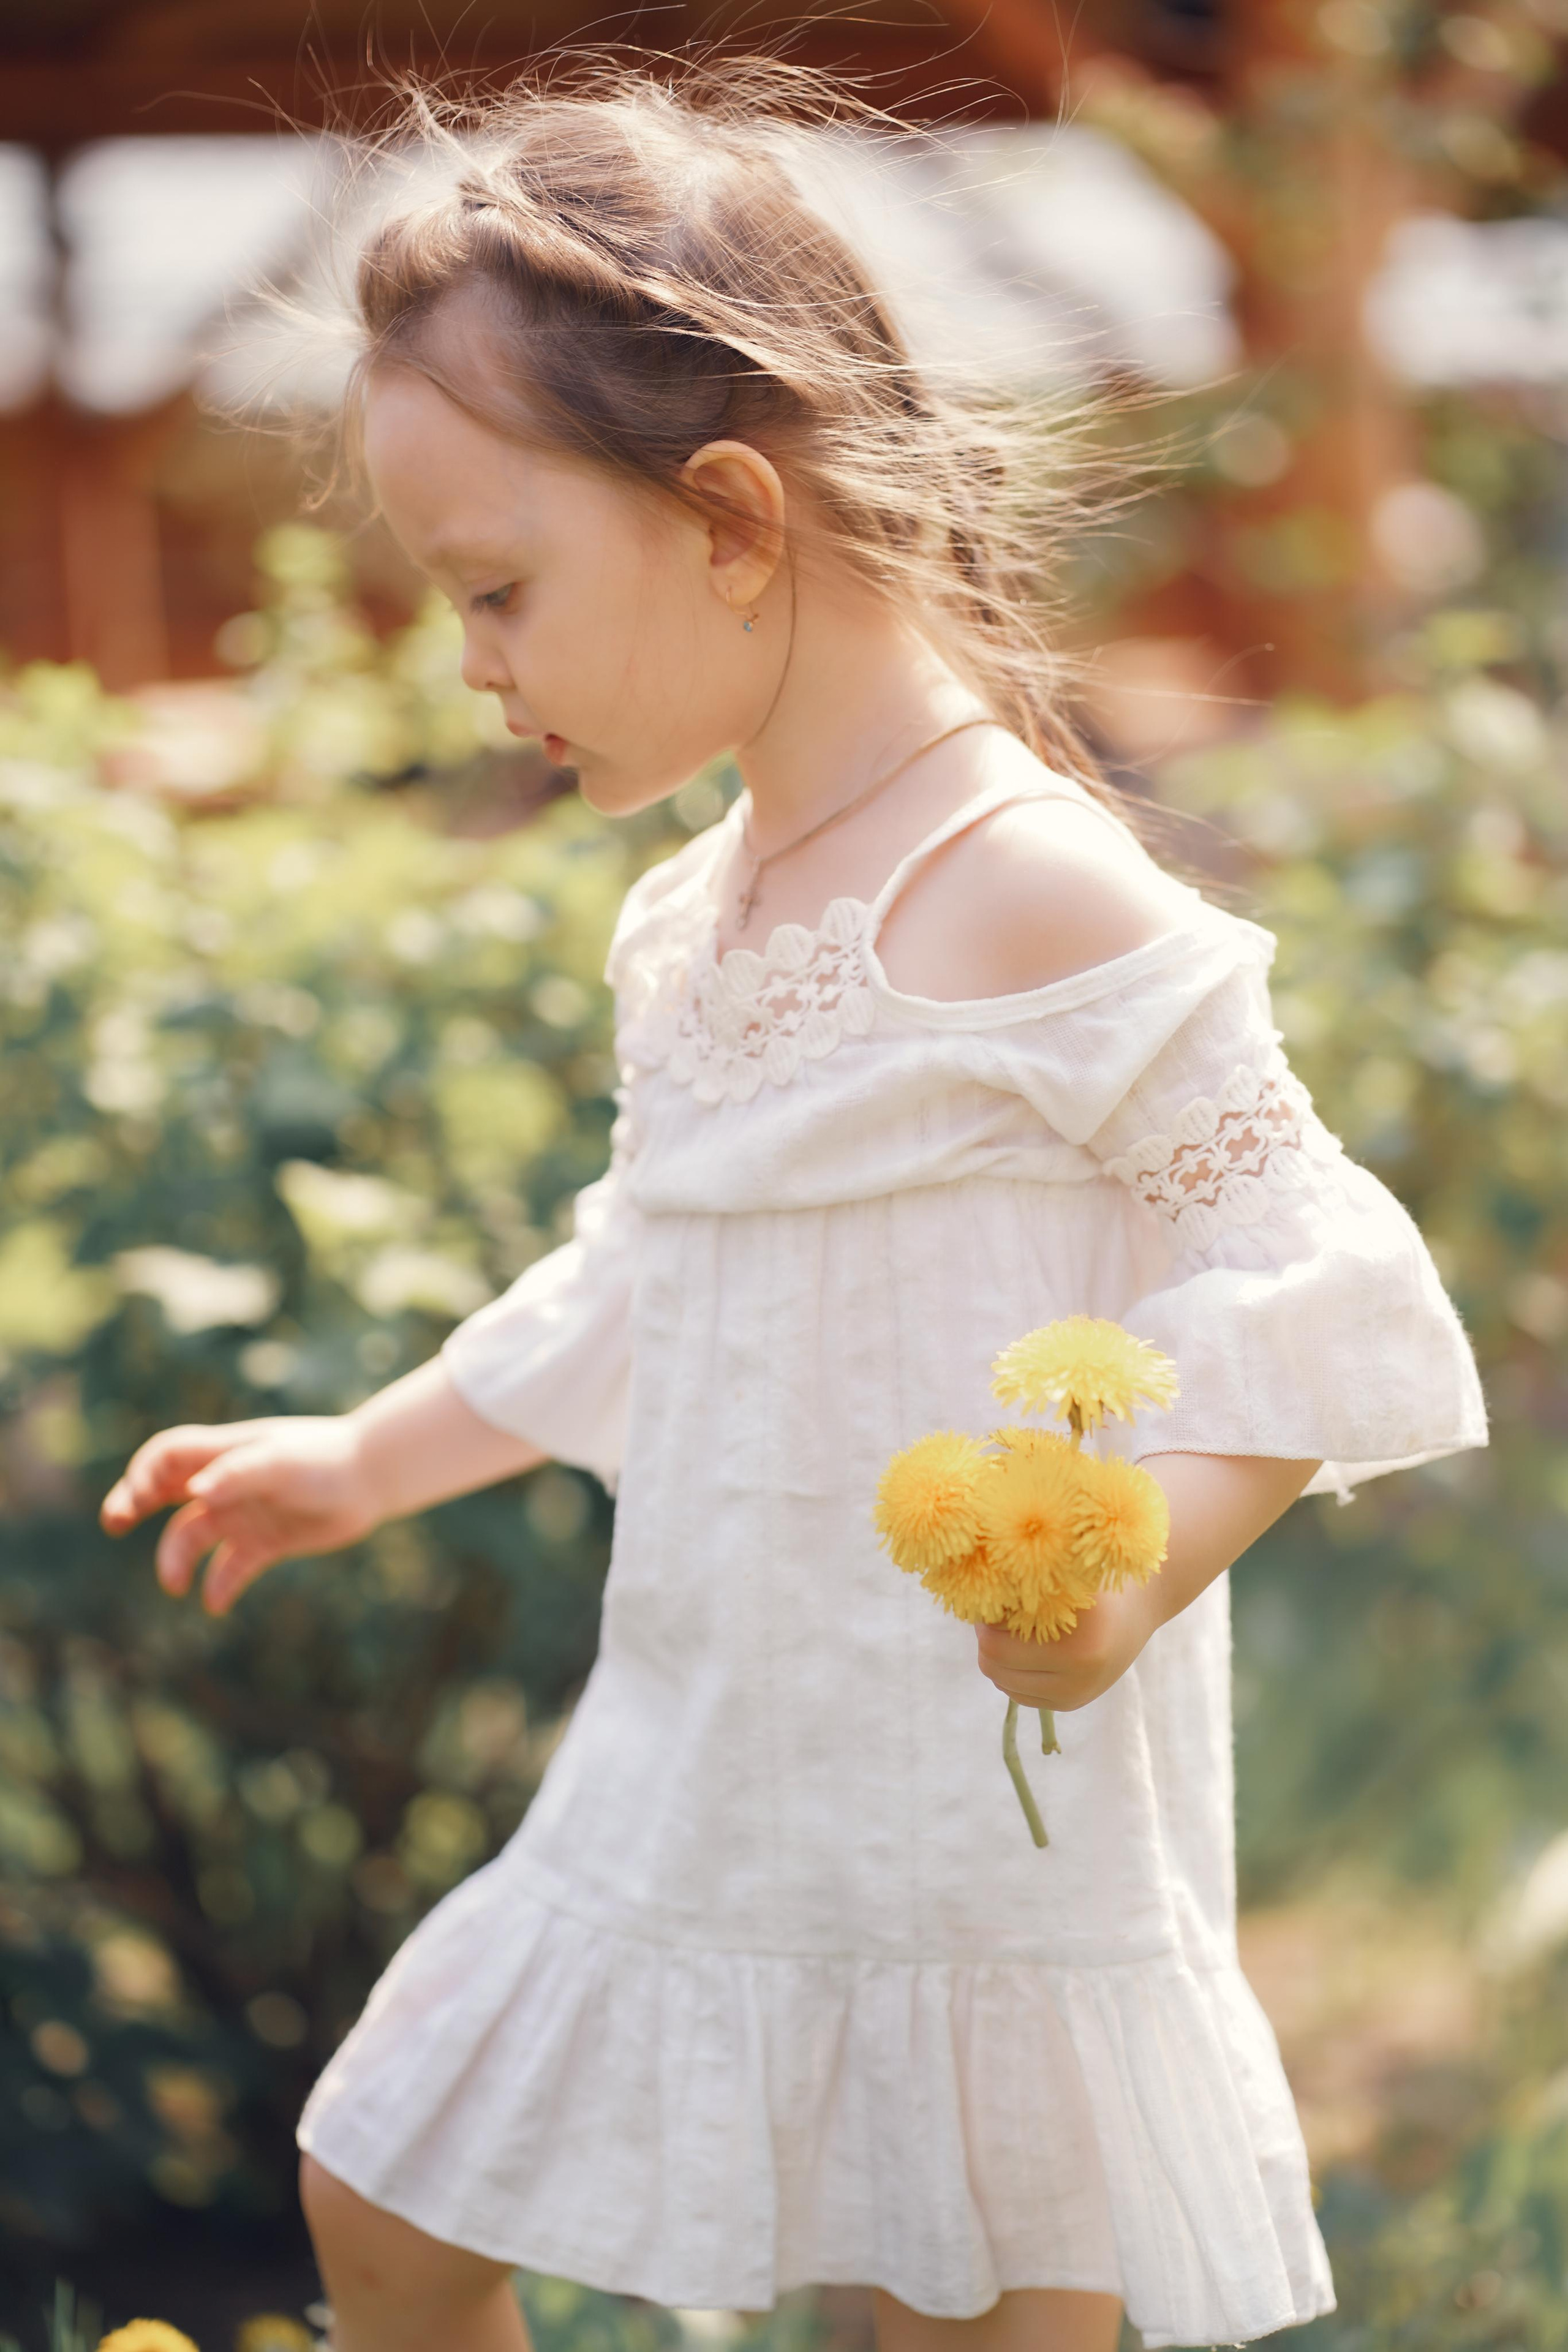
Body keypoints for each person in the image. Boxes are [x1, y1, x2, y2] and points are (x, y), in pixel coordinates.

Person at [100, 61, 1489, 2352]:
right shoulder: (699, 913)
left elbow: (1329, 1278)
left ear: (731, 518)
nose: (474, 662)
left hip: (967, 1841)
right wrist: (378, 1456)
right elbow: (654, 1271)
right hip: (703, 1768)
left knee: (935, 2316)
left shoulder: (1026, 886)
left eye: (500, 588)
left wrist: (1138, 1566)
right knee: (385, 2190)